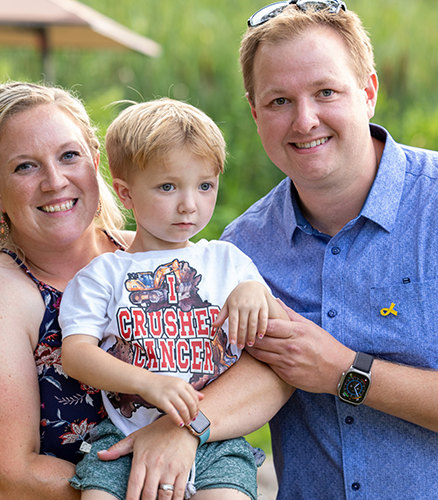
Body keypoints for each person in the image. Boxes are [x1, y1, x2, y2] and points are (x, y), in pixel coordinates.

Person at [0, 82, 292, 500]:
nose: (54, 181)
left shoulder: (163, 255)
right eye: (25, 167)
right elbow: (5, 478)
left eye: (69, 156)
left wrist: (182, 434)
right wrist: (154, 480)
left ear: (96, 162)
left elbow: (281, 360)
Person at [220, 1, 438, 498]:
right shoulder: (242, 251)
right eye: (279, 101)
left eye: (325, 92)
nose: (304, 120)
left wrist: (345, 372)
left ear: (368, 93)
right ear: (255, 115)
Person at [59, 98, 289, 500]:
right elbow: (77, 354)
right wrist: (146, 383)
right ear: (126, 194)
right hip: (125, 432)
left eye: (205, 186)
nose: (189, 204)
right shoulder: (103, 275)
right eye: (168, 187)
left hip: (217, 436)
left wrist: (254, 292)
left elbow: (274, 327)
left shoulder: (227, 261)